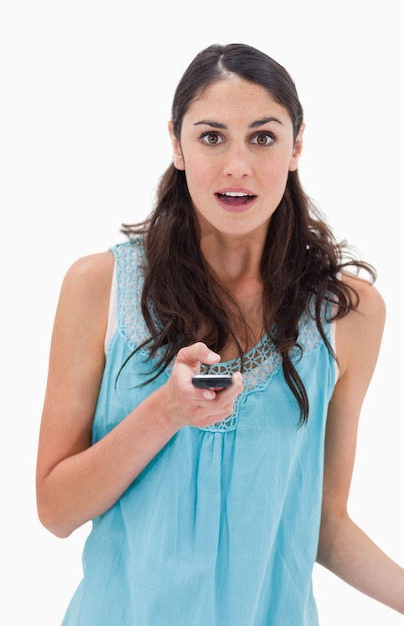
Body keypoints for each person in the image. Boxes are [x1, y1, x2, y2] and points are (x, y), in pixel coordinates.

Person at [36, 43, 404, 625]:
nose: (237, 165)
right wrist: (165, 412)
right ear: (177, 145)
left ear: (297, 147)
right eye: (211, 137)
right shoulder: (98, 287)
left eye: (262, 137)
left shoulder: (349, 316)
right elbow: (55, 509)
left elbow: (323, 525)